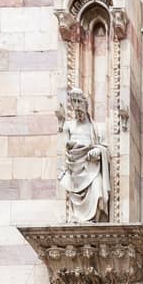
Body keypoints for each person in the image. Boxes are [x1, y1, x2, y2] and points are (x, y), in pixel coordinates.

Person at [61, 88, 110, 224]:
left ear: (85, 103)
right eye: (73, 102)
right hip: (75, 170)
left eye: (79, 101)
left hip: (92, 170)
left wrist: (98, 151)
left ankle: (94, 218)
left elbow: (105, 148)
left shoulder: (97, 128)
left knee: (97, 187)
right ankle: (76, 217)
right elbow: (64, 150)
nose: (76, 105)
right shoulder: (69, 126)